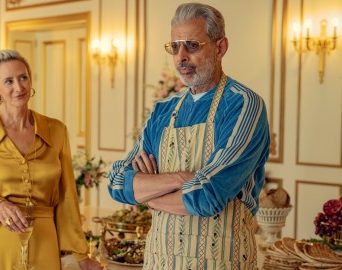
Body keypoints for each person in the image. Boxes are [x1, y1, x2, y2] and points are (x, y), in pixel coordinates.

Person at [108, 2, 270, 269]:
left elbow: (207, 196)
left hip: (223, 261)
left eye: (192, 45)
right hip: (159, 261)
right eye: (175, 46)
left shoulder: (244, 105)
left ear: (220, 48)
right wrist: (181, 179)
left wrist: (148, 194)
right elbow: (117, 183)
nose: (180, 56)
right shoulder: (163, 110)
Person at [0, 49, 101, 269]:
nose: (19, 87)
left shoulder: (56, 131)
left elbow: (67, 197)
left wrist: (80, 254)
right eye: (9, 81)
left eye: (23, 77)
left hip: (44, 245)